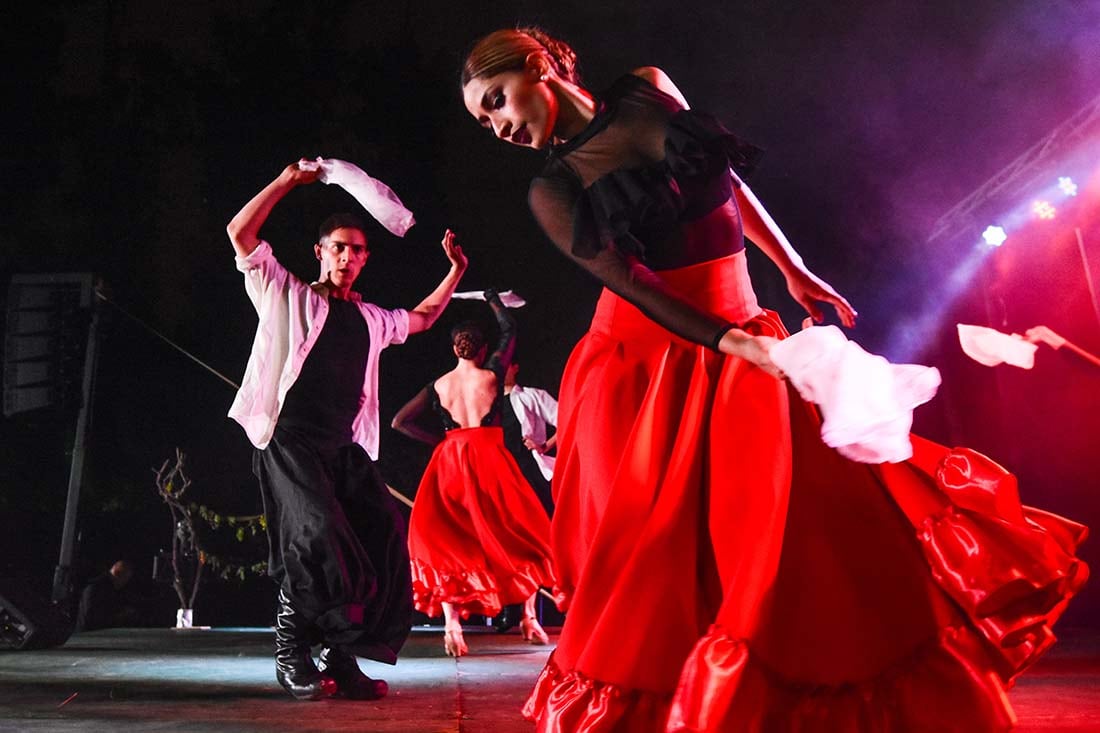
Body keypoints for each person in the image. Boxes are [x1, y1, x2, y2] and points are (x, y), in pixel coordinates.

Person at [461, 28, 1088, 732]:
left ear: (538, 65)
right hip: (645, 359)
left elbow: (725, 185)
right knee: (669, 547)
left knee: (803, 510)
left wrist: (791, 267)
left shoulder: (650, 87)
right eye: (485, 122)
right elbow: (631, 284)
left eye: (496, 101)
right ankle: (682, 706)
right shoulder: (555, 185)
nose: (499, 126)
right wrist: (732, 341)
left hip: (740, 325)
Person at [226, 160, 468, 701]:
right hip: (290, 441)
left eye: (358, 249)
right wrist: (288, 182)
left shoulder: (372, 319)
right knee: (316, 539)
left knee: (378, 542)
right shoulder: (285, 293)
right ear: (320, 251)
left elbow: (424, 318)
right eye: (339, 247)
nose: (348, 257)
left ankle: (341, 658)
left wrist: (454, 271)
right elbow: (240, 234)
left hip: (342, 447)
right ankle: (292, 654)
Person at [392, 291, 556, 657]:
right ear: (482, 351)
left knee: (451, 542)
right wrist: (491, 298)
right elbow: (509, 328)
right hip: (490, 459)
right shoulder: (492, 375)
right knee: (519, 533)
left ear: (455, 350)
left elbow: (399, 421)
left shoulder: (438, 385)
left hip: (451, 460)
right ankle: (530, 618)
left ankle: (452, 624)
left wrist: (441, 441)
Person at [502, 359, 558, 518]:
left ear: (515, 367)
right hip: (505, 472)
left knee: (543, 515)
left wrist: (544, 446)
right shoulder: (490, 406)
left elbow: (565, 420)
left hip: (529, 469)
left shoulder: (531, 395)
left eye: (505, 366)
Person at [74, 560, 138, 631]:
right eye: (125, 579)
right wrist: (120, 616)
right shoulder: (98, 589)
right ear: (117, 573)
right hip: (90, 635)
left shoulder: (101, 586)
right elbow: (92, 618)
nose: (125, 583)